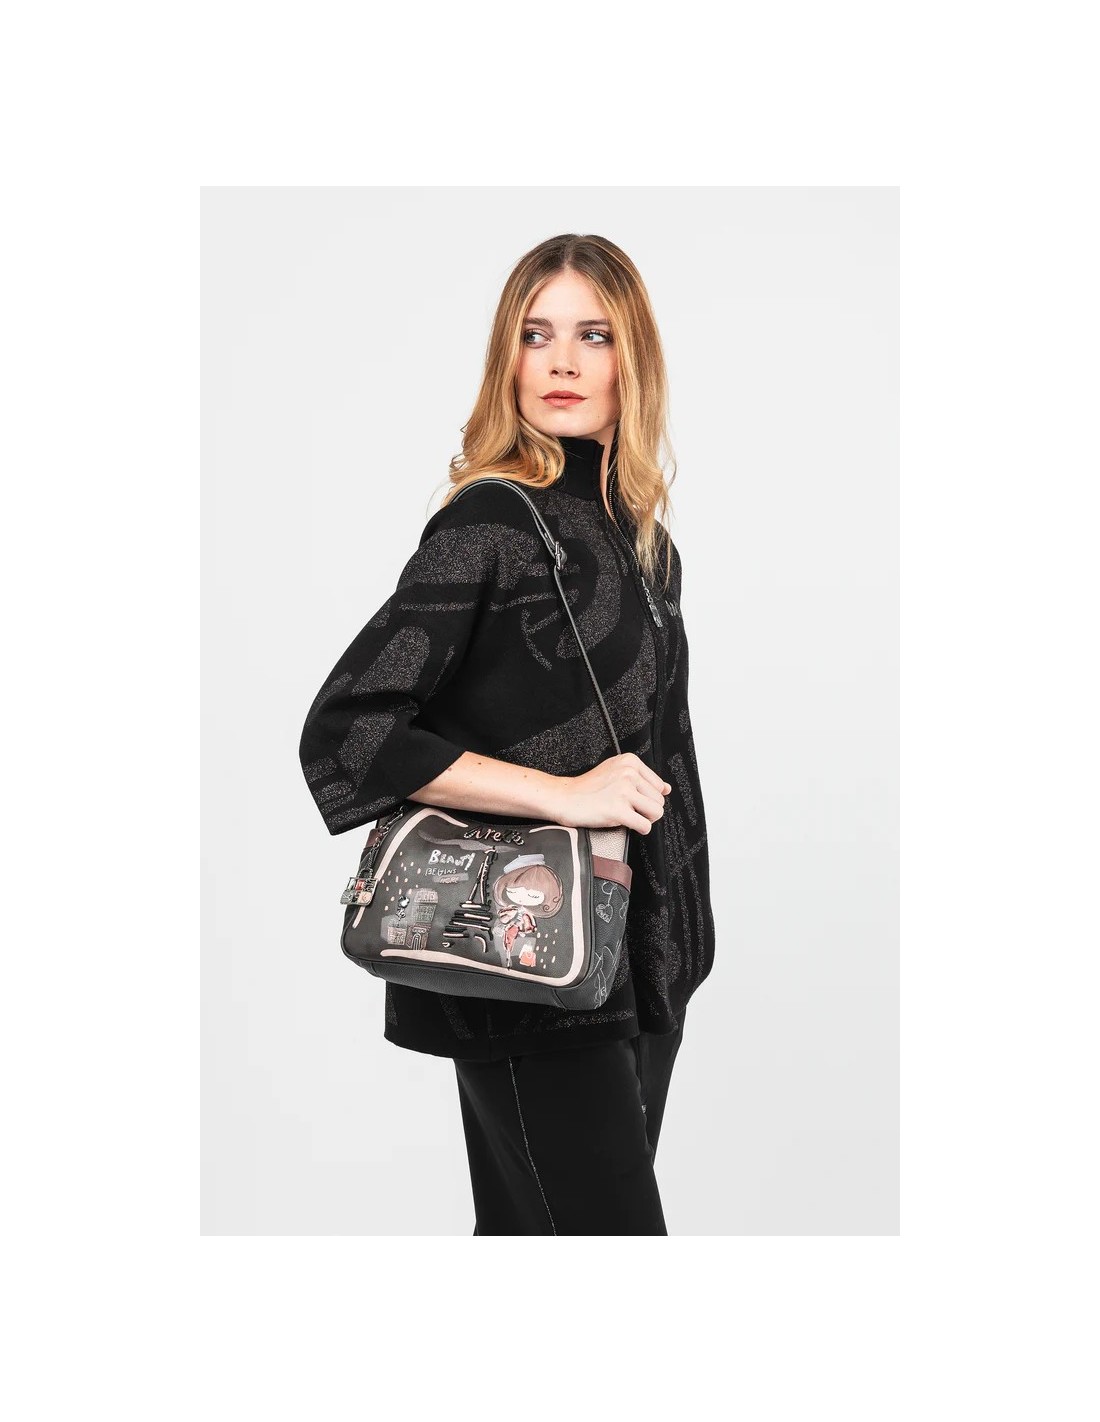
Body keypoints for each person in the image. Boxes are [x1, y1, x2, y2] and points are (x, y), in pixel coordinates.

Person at [298, 233, 715, 1235]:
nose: (562, 361)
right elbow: (348, 732)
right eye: (536, 335)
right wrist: (565, 796)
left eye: (593, 336)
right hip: (522, 964)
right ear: (507, 359)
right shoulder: (488, 525)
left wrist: (685, 952)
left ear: (633, 360)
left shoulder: (645, 547)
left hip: (639, 966)